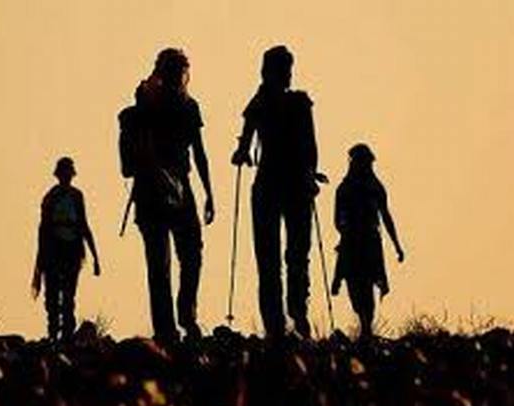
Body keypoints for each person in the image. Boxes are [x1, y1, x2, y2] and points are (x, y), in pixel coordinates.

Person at [231, 45, 327, 339]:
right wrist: (310, 174)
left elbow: (245, 143)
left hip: (272, 186)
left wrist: (242, 153)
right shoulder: (297, 103)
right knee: (290, 256)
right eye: (284, 70)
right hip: (292, 185)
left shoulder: (262, 102)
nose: (287, 76)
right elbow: (310, 147)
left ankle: (286, 320)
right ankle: (292, 318)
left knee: (277, 257)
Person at [121, 48, 215, 344]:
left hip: (158, 190)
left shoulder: (147, 110)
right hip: (168, 189)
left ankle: (173, 324)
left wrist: (209, 193)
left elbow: (198, 152)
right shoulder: (182, 107)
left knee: (168, 261)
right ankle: (177, 322)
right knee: (180, 257)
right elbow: (198, 153)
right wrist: (209, 193)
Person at [331, 144, 405, 338]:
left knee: (368, 285)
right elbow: (337, 219)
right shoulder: (345, 188)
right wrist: (346, 228)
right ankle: (365, 326)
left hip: (370, 241)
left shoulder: (374, 187)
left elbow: (386, 216)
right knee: (354, 287)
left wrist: (397, 245)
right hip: (352, 240)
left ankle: (366, 329)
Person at [32, 157, 101, 341]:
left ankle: (67, 334)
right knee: (53, 294)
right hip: (53, 249)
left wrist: (95, 257)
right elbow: (43, 229)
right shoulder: (50, 197)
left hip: (72, 249)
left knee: (69, 295)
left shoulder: (77, 196)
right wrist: (40, 259)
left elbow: (84, 225)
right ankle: (54, 333)